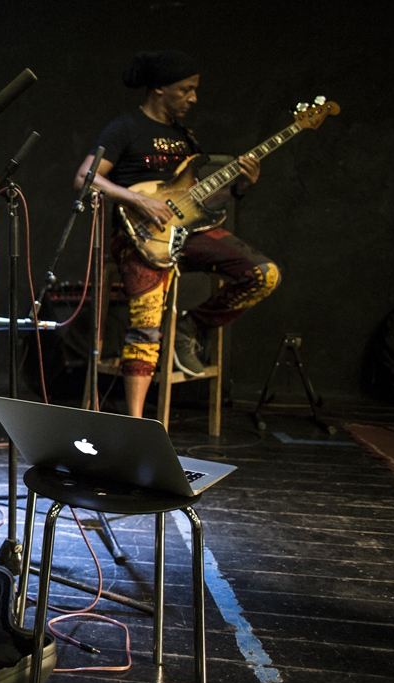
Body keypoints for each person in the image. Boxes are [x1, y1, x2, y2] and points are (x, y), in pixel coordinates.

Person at [74, 50, 281, 418]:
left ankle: (191, 327)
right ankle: (136, 423)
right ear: (158, 89)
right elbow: (84, 178)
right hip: (141, 238)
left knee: (264, 274)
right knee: (145, 326)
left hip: (188, 233)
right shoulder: (126, 128)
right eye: (186, 90)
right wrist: (138, 199)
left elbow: (197, 199)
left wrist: (239, 188)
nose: (193, 98)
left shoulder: (185, 137)